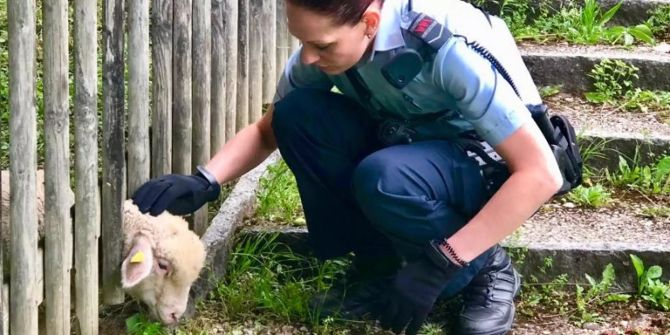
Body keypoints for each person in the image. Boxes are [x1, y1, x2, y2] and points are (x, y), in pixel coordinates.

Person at [132, 0, 568, 333]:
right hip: (409, 141)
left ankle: (487, 268)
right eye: (302, 42)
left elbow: (540, 173)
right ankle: (378, 263)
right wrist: (205, 180)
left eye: (320, 45)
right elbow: (270, 129)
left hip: (485, 161)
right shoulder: (337, 43)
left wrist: (443, 261)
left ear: (370, 24)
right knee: (297, 115)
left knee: (385, 179)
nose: (306, 58)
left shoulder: (444, 47)